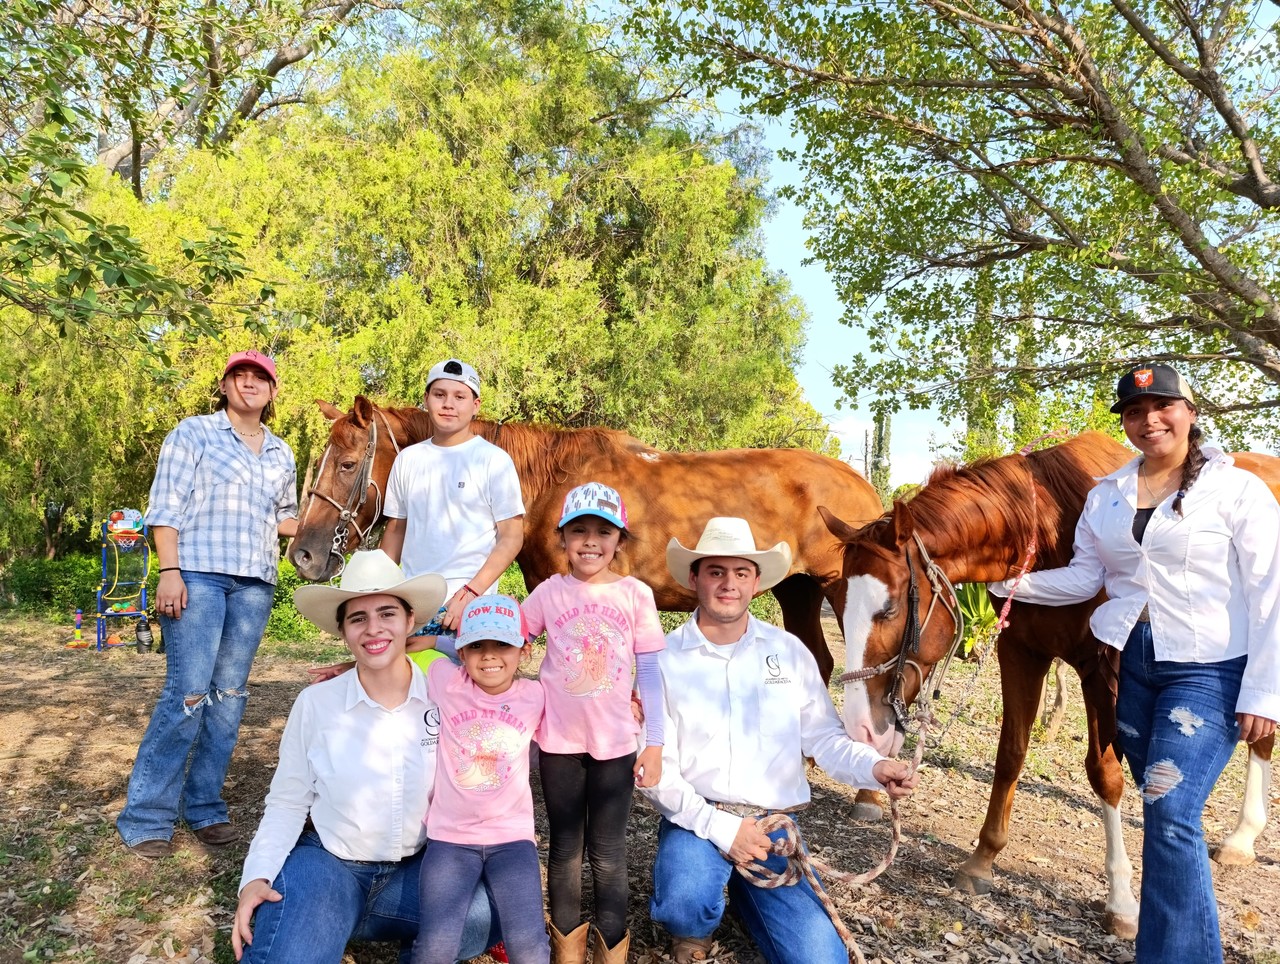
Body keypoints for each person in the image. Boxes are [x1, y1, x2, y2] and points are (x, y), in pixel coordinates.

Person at [988, 363, 1280, 964]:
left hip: (1210, 665)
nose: (1150, 420)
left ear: (1190, 412)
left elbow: (1270, 589)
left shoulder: (1236, 489)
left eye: (1163, 407)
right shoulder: (1107, 495)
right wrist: (1008, 586)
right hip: (1131, 663)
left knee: (1172, 811)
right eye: (1135, 412)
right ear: (1124, 423)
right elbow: (1087, 577)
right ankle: (1169, 945)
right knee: (1162, 811)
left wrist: (1265, 691)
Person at [642, 517, 919, 964]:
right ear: (694, 579)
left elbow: (824, 737)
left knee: (820, 959)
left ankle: (741, 890)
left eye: (741, 573)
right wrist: (725, 831)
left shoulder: (788, 653)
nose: (728, 584)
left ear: (756, 583)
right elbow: (655, 771)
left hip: (771, 827)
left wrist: (872, 766)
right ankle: (692, 927)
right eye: (715, 571)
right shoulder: (663, 660)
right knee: (684, 899)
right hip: (697, 816)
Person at [232, 550, 500, 963]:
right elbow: (287, 800)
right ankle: (328, 918)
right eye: (358, 618)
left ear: (410, 621)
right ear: (343, 630)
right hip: (331, 866)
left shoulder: (445, 694)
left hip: (421, 867)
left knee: (484, 915)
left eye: (387, 614)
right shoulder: (316, 704)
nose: (374, 629)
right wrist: (256, 876)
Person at [117, 350, 298, 858]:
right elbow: (165, 507)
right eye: (239, 375)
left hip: (254, 584)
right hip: (196, 575)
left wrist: (328, 526)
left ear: (273, 391)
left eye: (260, 378)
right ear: (224, 385)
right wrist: (168, 571)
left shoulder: (282, 452)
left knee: (230, 697)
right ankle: (147, 816)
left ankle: (203, 808)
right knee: (188, 693)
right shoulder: (193, 433)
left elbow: (284, 519)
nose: (249, 383)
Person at [520, 482, 666, 964]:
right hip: (559, 743)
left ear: (619, 541)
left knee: (608, 852)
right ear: (561, 538)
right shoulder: (547, 593)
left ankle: (611, 953)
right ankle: (565, 950)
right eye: (577, 530)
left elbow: (649, 672)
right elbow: (502, 638)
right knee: (564, 848)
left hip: (617, 745)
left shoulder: (636, 595)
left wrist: (655, 744)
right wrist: (425, 642)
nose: (589, 541)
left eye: (602, 532)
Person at [411, 595, 549, 964]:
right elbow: (392, 658)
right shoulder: (444, 681)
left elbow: (583, 714)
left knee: (529, 943)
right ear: (462, 651)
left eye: (502, 644)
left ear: (525, 650)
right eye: (476, 646)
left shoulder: (536, 696)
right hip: (450, 840)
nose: (488, 656)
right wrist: (345, 668)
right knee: (435, 945)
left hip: (512, 839)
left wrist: (631, 708)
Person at [381, 358, 525, 658]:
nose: (449, 404)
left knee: (463, 698)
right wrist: (379, 594)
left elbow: (512, 537)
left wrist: (471, 593)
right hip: (412, 607)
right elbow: (396, 530)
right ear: (426, 400)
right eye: (439, 395)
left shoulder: (493, 461)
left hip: (470, 610)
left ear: (475, 404)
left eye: (459, 397)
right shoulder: (407, 460)